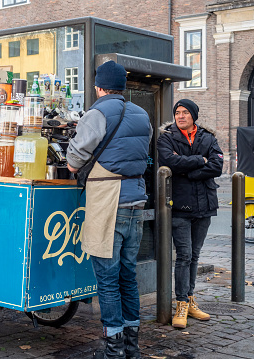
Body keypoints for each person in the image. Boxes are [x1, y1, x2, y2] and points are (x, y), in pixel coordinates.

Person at [67, 60, 151, 359]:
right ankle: (132, 345)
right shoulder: (142, 115)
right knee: (127, 275)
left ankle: (113, 348)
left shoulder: (96, 113)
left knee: (107, 277)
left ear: (99, 86)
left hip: (107, 201)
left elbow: (74, 160)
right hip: (136, 201)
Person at [157, 99, 223, 329]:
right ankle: (181, 303)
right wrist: (199, 161)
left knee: (195, 255)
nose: (181, 116)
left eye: (185, 112)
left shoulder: (208, 137)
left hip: (204, 204)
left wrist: (191, 173)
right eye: (177, 112)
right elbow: (170, 162)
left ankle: (190, 298)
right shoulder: (166, 137)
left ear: (194, 115)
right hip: (180, 206)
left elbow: (217, 166)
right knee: (184, 255)